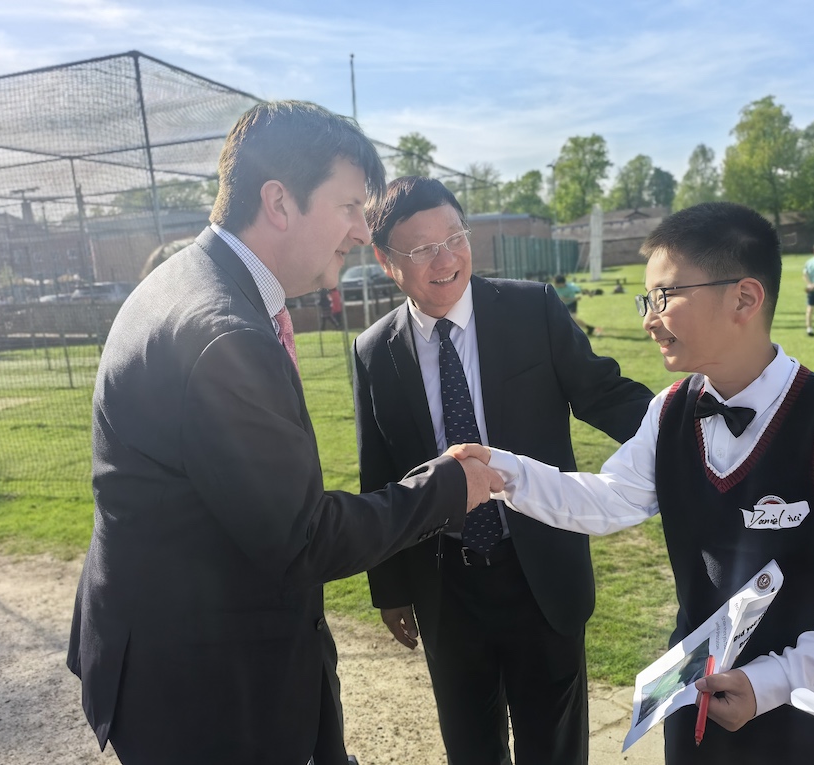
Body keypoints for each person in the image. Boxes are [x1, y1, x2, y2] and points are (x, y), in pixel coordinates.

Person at [66, 102, 503, 765]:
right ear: (278, 202)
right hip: (206, 695)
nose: (362, 231)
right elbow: (303, 537)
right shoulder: (223, 333)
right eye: (349, 206)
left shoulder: (194, 284)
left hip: (199, 653)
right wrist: (448, 486)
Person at [453, 202, 814, 764]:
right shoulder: (671, 410)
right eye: (647, 301)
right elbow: (611, 497)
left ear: (744, 299)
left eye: (665, 296)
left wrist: (773, 682)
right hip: (700, 697)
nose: (649, 320)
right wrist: (501, 472)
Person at [354, 177, 653, 765]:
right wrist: (390, 590)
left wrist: (694, 434)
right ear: (386, 262)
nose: (446, 259)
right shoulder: (374, 350)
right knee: (470, 746)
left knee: (554, 748)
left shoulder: (531, 308)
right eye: (422, 249)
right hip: (446, 585)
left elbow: (605, 394)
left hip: (540, 571)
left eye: (455, 237)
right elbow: (380, 474)